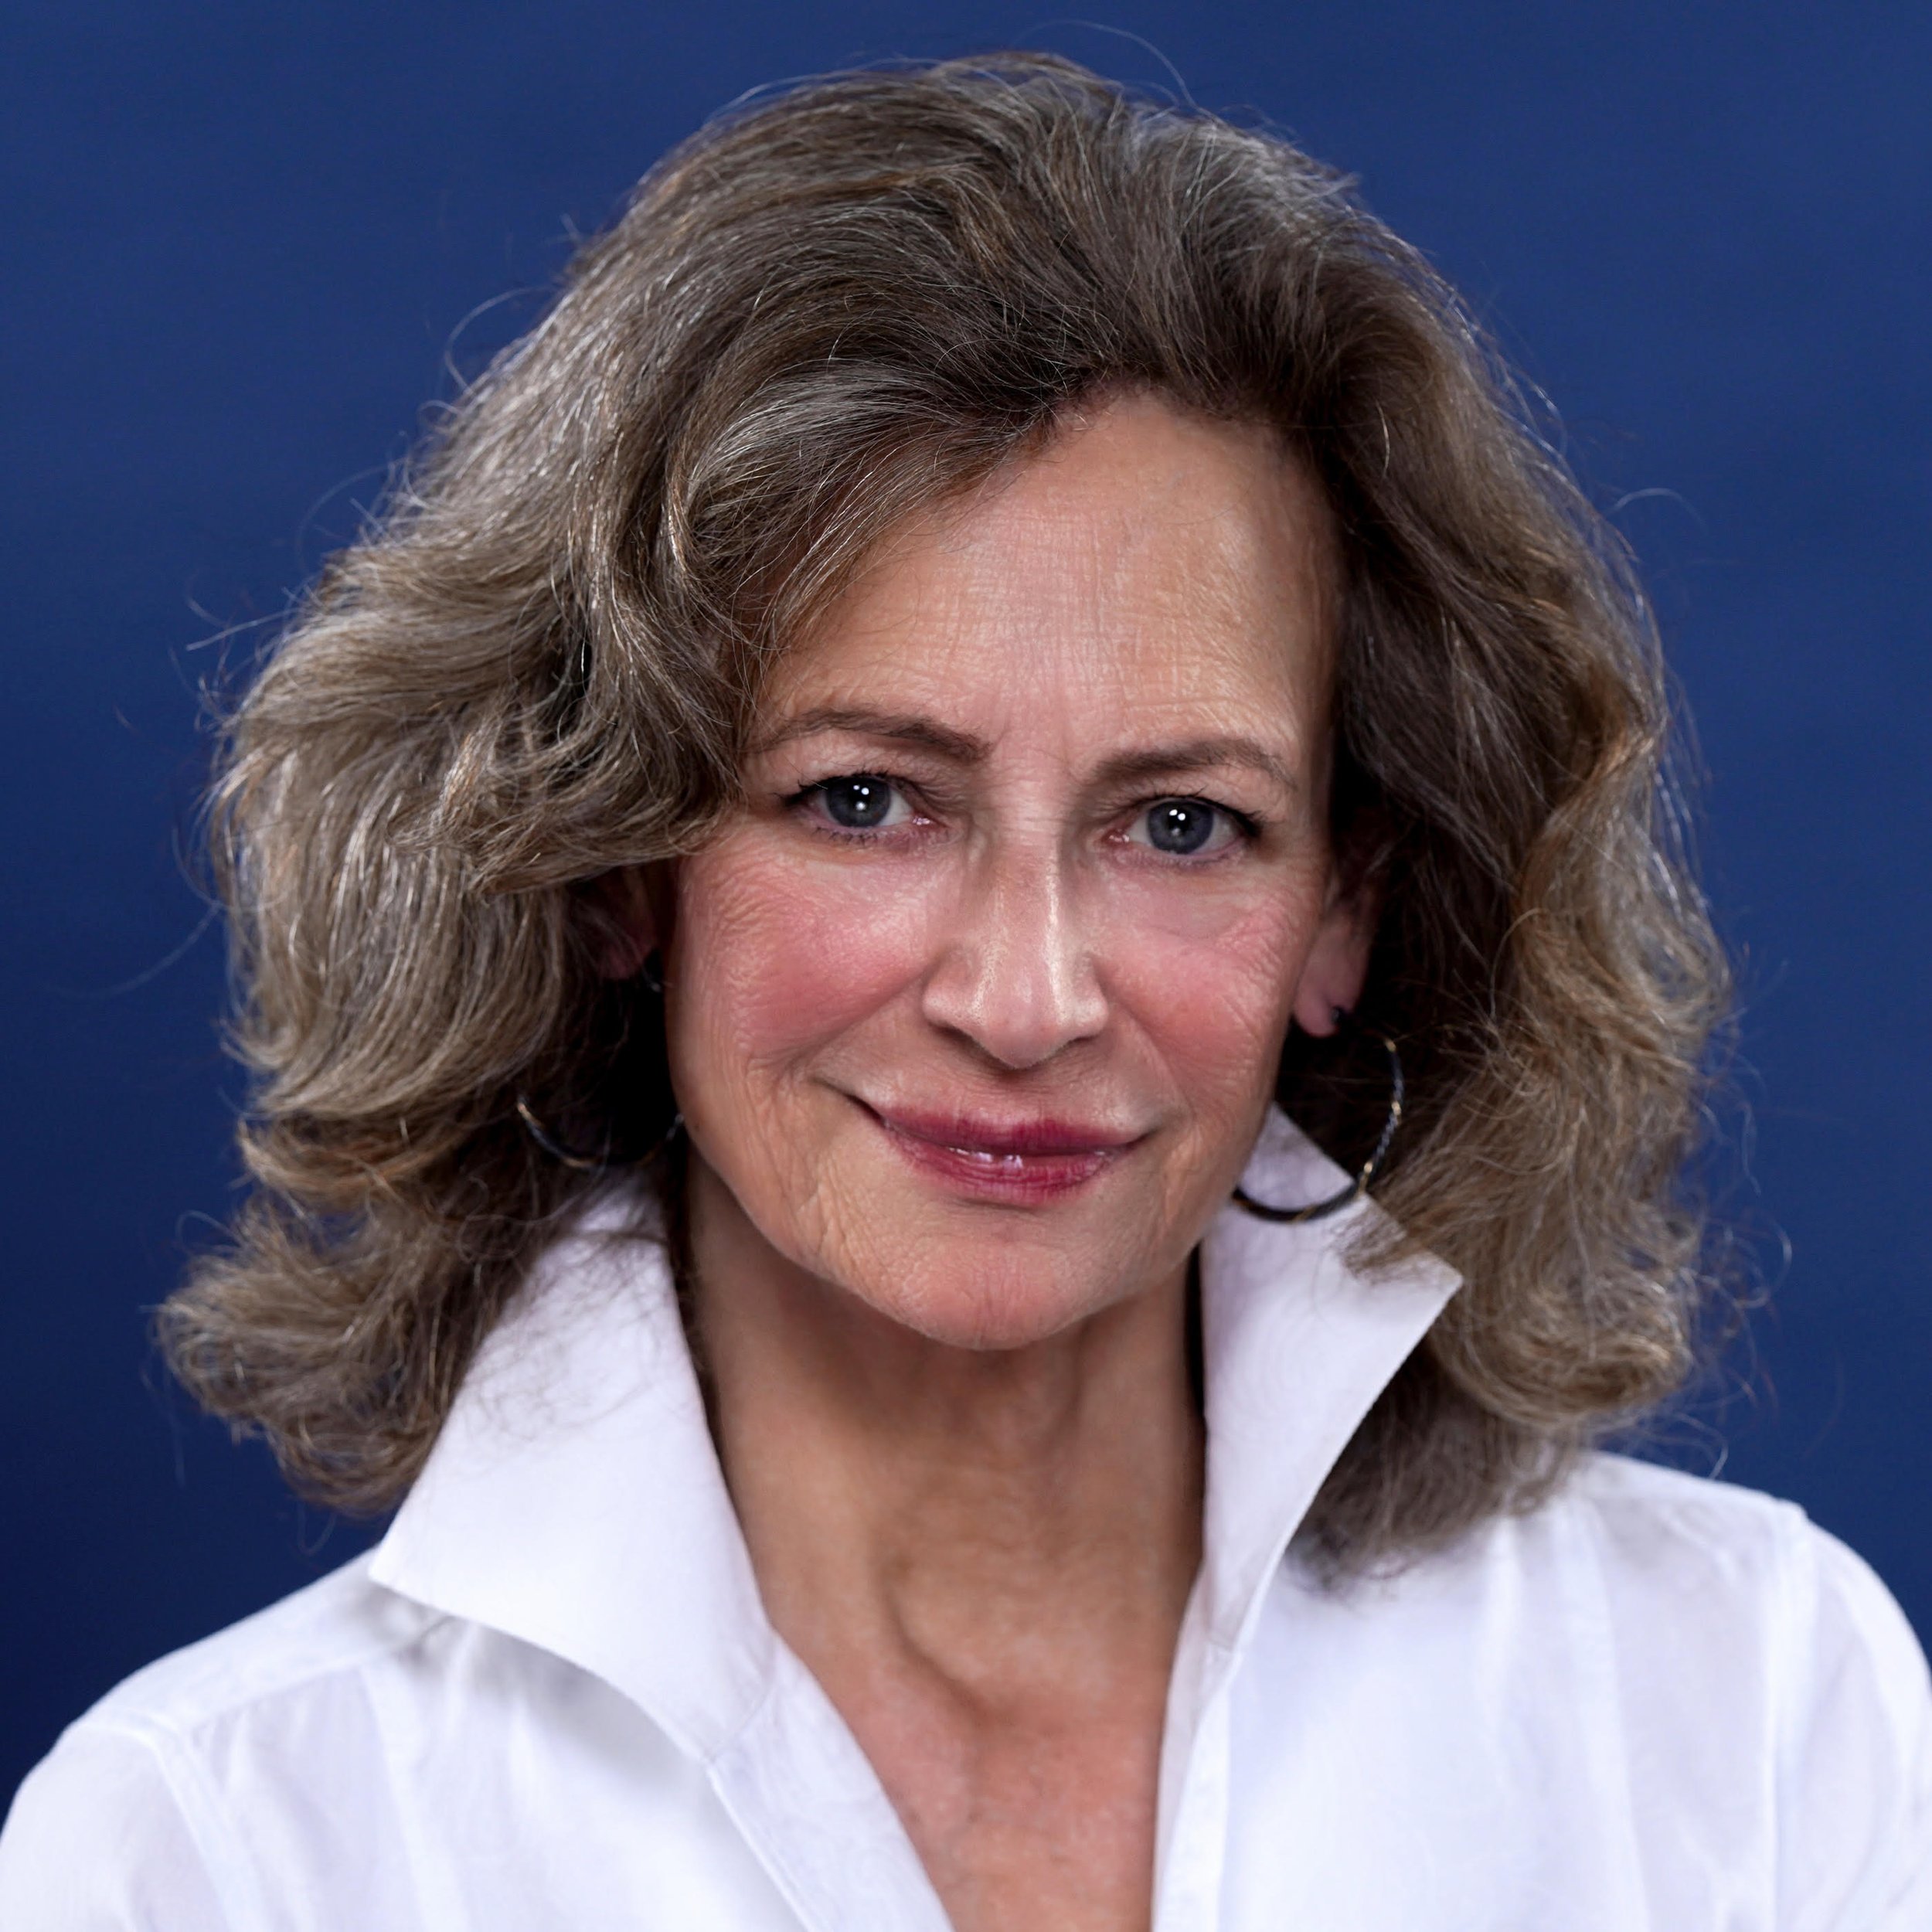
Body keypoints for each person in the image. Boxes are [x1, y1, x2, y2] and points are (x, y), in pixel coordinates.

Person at [2, 51, 1926, 1930]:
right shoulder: (212, 1852)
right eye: (863, 800)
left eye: (1179, 821)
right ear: (605, 863)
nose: (1024, 998)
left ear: (1343, 905)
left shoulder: (1748, 1708)